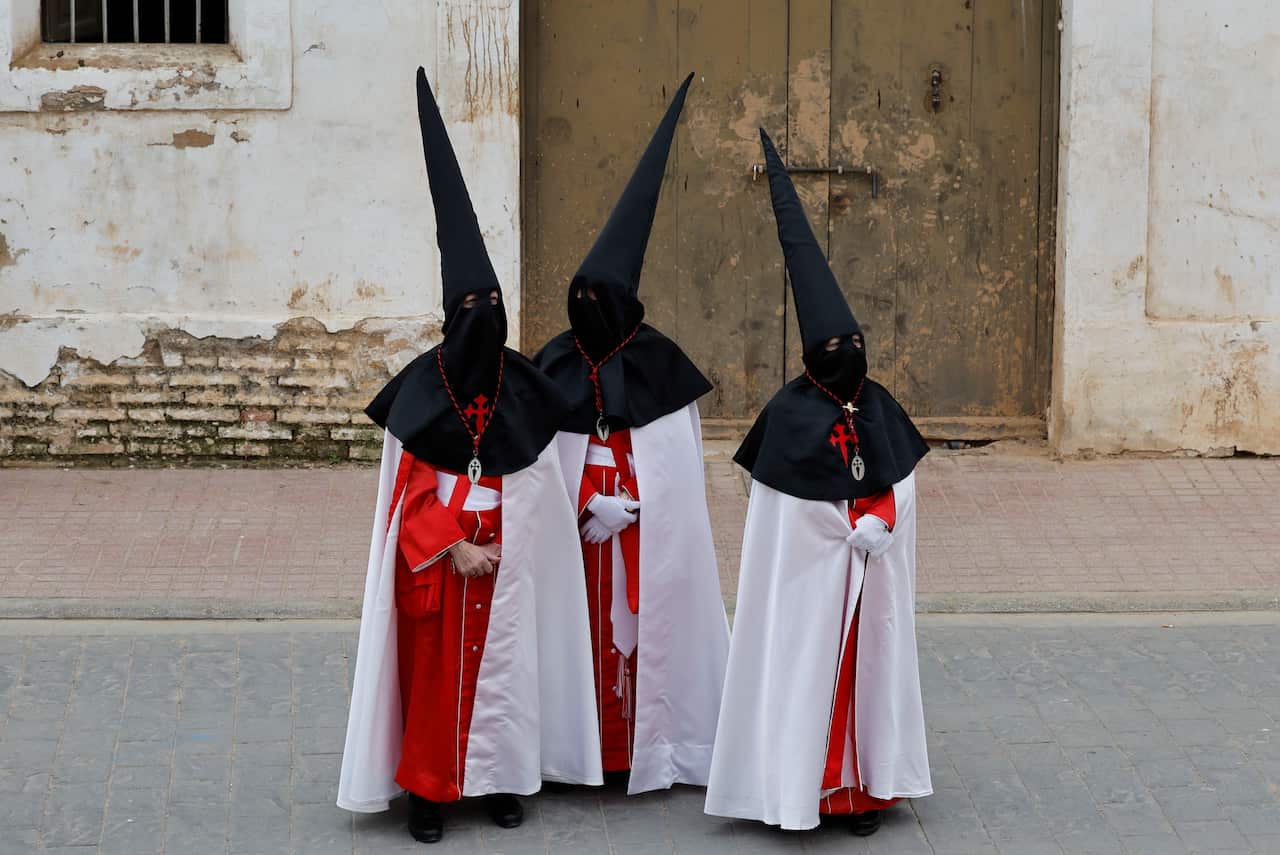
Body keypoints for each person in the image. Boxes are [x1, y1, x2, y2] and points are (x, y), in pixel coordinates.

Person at [336, 68, 603, 845]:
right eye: (473, 311)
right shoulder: (424, 391)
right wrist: (452, 546)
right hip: (442, 568)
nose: (485, 322)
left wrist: (511, 541)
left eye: (495, 310)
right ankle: (427, 791)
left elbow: (543, 480)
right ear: (452, 317)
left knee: (506, 679)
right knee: (434, 680)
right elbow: (406, 493)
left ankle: (501, 781)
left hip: (507, 564)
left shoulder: (524, 388)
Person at [704, 127, 933, 835]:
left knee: (869, 676)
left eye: (854, 345)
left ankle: (864, 790)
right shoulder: (788, 414)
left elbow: (902, 477)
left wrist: (883, 521)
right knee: (809, 675)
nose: (848, 356)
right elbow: (777, 511)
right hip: (816, 582)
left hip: (873, 572)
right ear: (811, 354)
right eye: (834, 349)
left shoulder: (878, 401)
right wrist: (835, 532)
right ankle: (809, 787)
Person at [534, 73, 730, 794]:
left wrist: (636, 507)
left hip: (643, 544)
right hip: (580, 545)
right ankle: (580, 751)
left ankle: (652, 749)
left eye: (600, 298)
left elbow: (679, 479)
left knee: (648, 644)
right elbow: (537, 467)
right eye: (579, 295)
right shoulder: (555, 362)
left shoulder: (660, 368)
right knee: (578, 637)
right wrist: (586, 499)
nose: (587, 306)